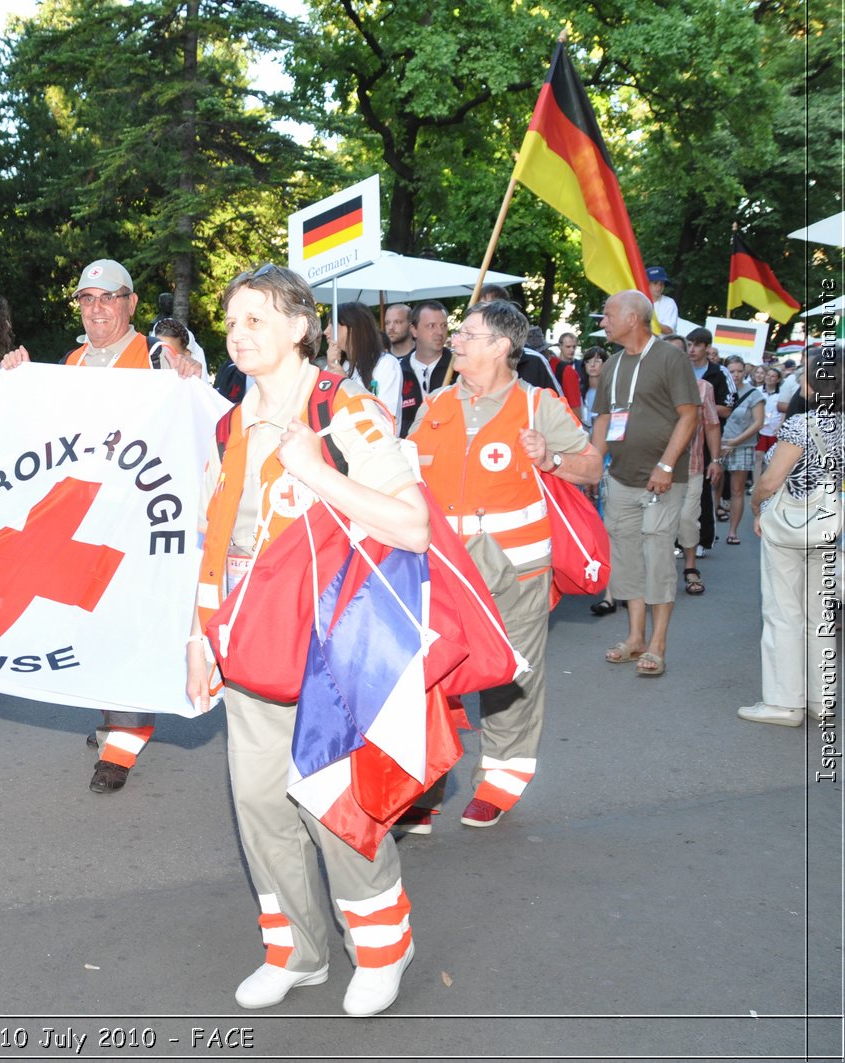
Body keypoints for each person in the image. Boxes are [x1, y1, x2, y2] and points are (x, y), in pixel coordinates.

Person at [187, 264, 431, 1015]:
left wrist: (313, 471)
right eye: (232, 321)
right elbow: (215, 535)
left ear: (301, 326)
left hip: (330, 647)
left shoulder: (341, 409)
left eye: (257, 318)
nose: (239, 333)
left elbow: (412, 523)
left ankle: (383, 946)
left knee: (333, 801)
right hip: (248, 645)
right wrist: (199, 637)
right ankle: (295, 949)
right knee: (260, 807)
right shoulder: (231, 419)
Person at [5, 257, 201, 793]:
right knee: (91, 617)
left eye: (108, 297)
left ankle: (123, 740)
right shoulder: (69, 363)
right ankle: (114, 713)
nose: (97, 308)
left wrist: (191, 375)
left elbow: (197, 414)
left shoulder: (160, 359)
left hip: (141, 519)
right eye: (87, 299)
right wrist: (17, 382)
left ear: (131, 303)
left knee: (132, 619)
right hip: (85, 517)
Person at [403, 299, 600, 830]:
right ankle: (425, 783)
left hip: (517, 568)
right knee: (434, 670)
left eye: (467, 333)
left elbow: (591, 468)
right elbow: (404, 470)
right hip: (442, 565)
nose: (456, 340)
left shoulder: (538, 405)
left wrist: (550, 459)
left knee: (510, 672)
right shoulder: (436, 402)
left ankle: (502, 779)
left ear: (501, 346)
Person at [589, 290, 702, 678]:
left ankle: (658, 644)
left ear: (633, 318)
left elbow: (689, 416)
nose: (602, 321)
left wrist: (667, 465)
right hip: (619, 478)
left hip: (662, 481)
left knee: (657, 558)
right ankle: (635, 637)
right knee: (626, 559)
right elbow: (604, 418)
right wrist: (591, 462)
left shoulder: (671, 358)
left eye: (607, 315)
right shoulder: (612, 365)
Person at [738, 347, 841, 726]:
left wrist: (756, 505)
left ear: (815, 384)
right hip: (831, 523)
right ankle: (820, 698)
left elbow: (771, 479)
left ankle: (785, 702)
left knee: (783, 612)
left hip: (793, 524)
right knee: (820, 614)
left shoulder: (803, 423)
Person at [675, 375, 722, 595]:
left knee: (687, 518)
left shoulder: (703, 388)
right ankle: (660, 573)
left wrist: (715, 460)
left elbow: (711, 425)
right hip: (654, 468)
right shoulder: (651, 381)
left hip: (692, 466)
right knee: (659, 523)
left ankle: (690, 567)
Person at [720, 356, 766, 546]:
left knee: (737, 490)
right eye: (732, 371)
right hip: (717, 444)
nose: (736, 375)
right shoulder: (717, 390)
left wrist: (735, 441)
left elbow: (758, 422)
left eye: (739, 371)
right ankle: (709, 530)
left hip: (742, 446)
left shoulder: (753, 394)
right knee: (713, 487)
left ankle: (732, 531)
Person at [328, 301, 402, 416]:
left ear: (352, 327)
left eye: (332, 325)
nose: (326, 331)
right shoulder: (337, 364)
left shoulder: (386, 364)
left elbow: (387, 416)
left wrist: (345, 382)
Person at [396, 300, 451, 435]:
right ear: (414, 330)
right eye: (431, 326)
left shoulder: (458, 370)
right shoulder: (398, 372)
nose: (439, 332)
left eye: (444, 325)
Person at [647, 266, 680, 334]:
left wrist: (645, 322)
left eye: (662, 284)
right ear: (646, 284)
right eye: (655, 283)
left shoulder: (669, 303)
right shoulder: (638, 301)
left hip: (662, 344)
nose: (659, 287)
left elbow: (669, 330)